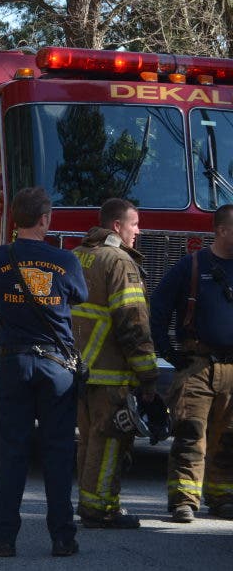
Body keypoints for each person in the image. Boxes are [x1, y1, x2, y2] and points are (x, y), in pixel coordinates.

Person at [0, 186, 88, 558]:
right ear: (45, 220)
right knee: (57, 454)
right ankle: (63, 538)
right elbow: (79, 297)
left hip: (15, 363)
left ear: (15, 218)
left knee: (13, 453)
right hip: (56, 366)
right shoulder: (67, 261)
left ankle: (2, 537)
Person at [71, 198, 158, 529]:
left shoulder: (79, 255)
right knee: (110, 440)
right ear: (117, 226)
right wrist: (148, 373)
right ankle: (102, 508)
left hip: (81, 370)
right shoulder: (120, 262)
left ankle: (89, 501)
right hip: (111, 372)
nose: (139, 230)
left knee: (90, 438)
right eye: (134, 224)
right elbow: (133, 322)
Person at [150, 203, 233, 523]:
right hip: (197, 367)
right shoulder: (191, 266)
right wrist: (169, 353)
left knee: (229, 439)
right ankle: (184, 500)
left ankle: (223, 496)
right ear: (222, 231)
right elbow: (158, 310)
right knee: (190, 434)